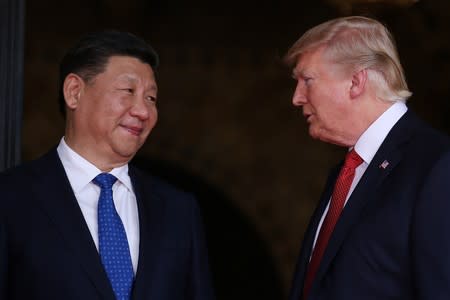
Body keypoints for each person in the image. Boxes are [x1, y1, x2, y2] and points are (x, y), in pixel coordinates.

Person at [0, 30, 215, 300]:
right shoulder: (10, 199)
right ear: (74, 92)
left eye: (151, 98)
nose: (143, 111)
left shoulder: (178, 211)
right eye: (128, 91)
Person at [284, 16, 450, 300]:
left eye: (307, 80)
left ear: (356, 82)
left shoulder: (437, 166)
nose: (297, 97)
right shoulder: (347, 172)